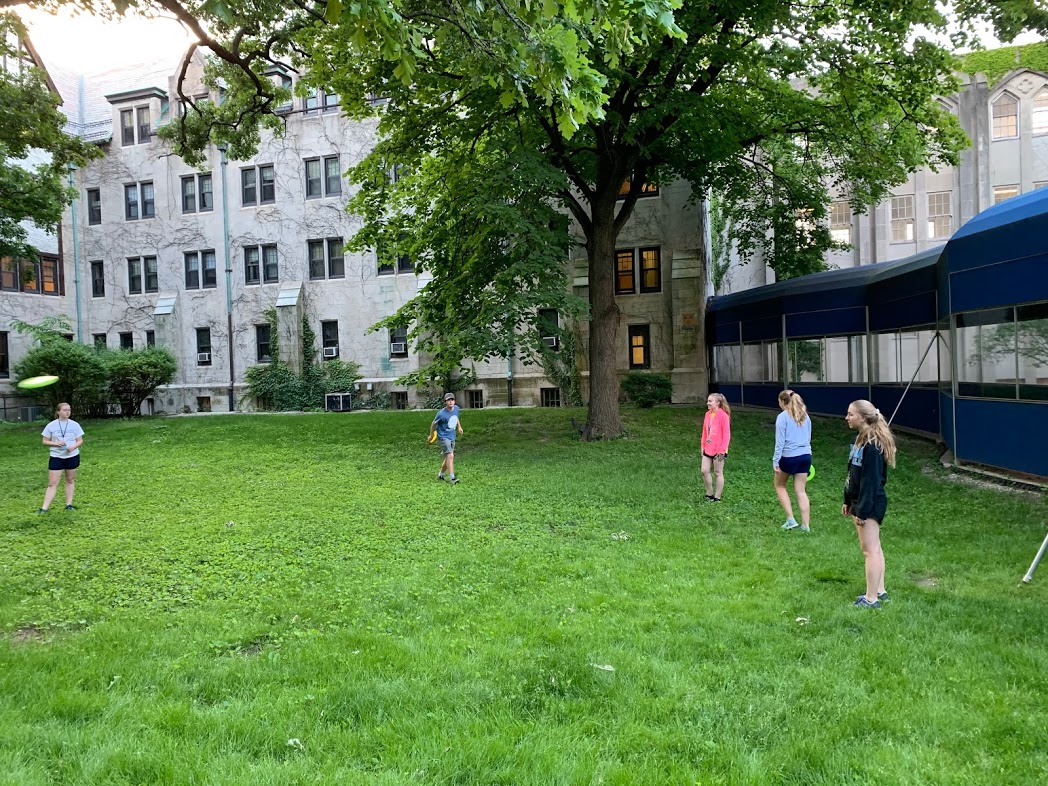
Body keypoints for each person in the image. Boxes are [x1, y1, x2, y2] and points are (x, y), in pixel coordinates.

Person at [843, 399, 897, 609]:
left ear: (863, 418)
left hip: (870, 503)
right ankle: (879, 590)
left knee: (870, 550)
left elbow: (871, 481)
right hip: (859, 501)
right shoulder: (860, 440)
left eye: (851, 414)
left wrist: (863, 511)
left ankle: (871, 598)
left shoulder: (873, 446)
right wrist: (848, 500)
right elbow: (853, 473)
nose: (847, 418)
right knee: (874, 547)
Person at [773, 389, 813, 532]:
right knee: (801, 491)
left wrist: (776, 460)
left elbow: (780, 442)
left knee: (779, 485)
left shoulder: (782, 417)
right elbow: (808, 437)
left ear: (783, 402)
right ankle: (805, 525)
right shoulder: (805, 416)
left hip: (789, 456)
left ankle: (790, 520)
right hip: (805, 456)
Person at [39, 402, 84, 513]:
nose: (67, 412)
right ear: (58, 412)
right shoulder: (51, 425)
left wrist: (73, 447)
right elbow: (44, 441)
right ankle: (44, 508)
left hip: (72, 456)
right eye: (65, 410)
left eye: (69, 410)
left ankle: (69, 505)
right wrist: (56, 444)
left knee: (70, 480)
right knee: (52, 483)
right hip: (56, 457)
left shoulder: (75, 425)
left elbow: (80, 440)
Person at [701, 393, 731, 502]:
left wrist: (722, 450)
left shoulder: (724, 416)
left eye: (710, 401)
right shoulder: (707, 414)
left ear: (718, 403)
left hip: (719, 449)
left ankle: (717, 497)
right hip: (708, 447)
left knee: (718, 472)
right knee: (704, 470)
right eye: (708, 401)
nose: (708, 403)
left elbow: (727, 435)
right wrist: (703, 446)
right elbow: (705, 432)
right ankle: (709, 493)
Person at [429, 392, 464, 484]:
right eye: (448, 400)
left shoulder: (456, 408)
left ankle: (440, 475)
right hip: (443, 437)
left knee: (448, 457)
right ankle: (452, 478)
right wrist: (431, 435)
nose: (450, 402)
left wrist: (459, 427)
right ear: (445, 402)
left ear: (454, 401)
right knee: (450, 455)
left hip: (452, 436)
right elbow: (433, 424)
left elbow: (455, 417)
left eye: (452, 400)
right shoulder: (441, 414)